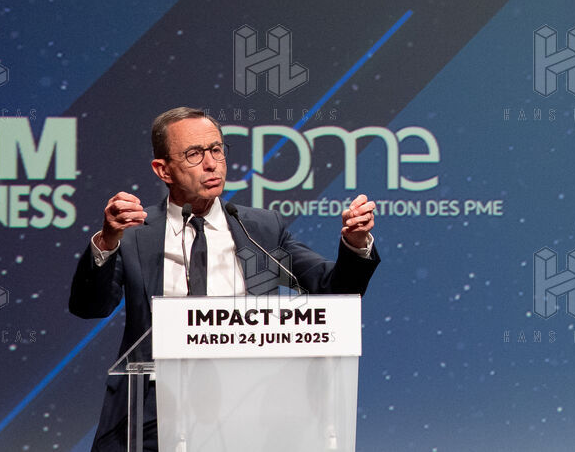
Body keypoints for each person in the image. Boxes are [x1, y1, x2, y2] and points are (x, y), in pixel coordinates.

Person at [69, 107, 380, 451]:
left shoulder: (260, 229)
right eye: (194, 154)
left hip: (246, 411)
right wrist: (107, 241)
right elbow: (90, 307)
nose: (211, 164)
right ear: (163, 169)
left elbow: (335, 289)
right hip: (151, 412)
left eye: (216, 149)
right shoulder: (134, 233)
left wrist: (355, 243)